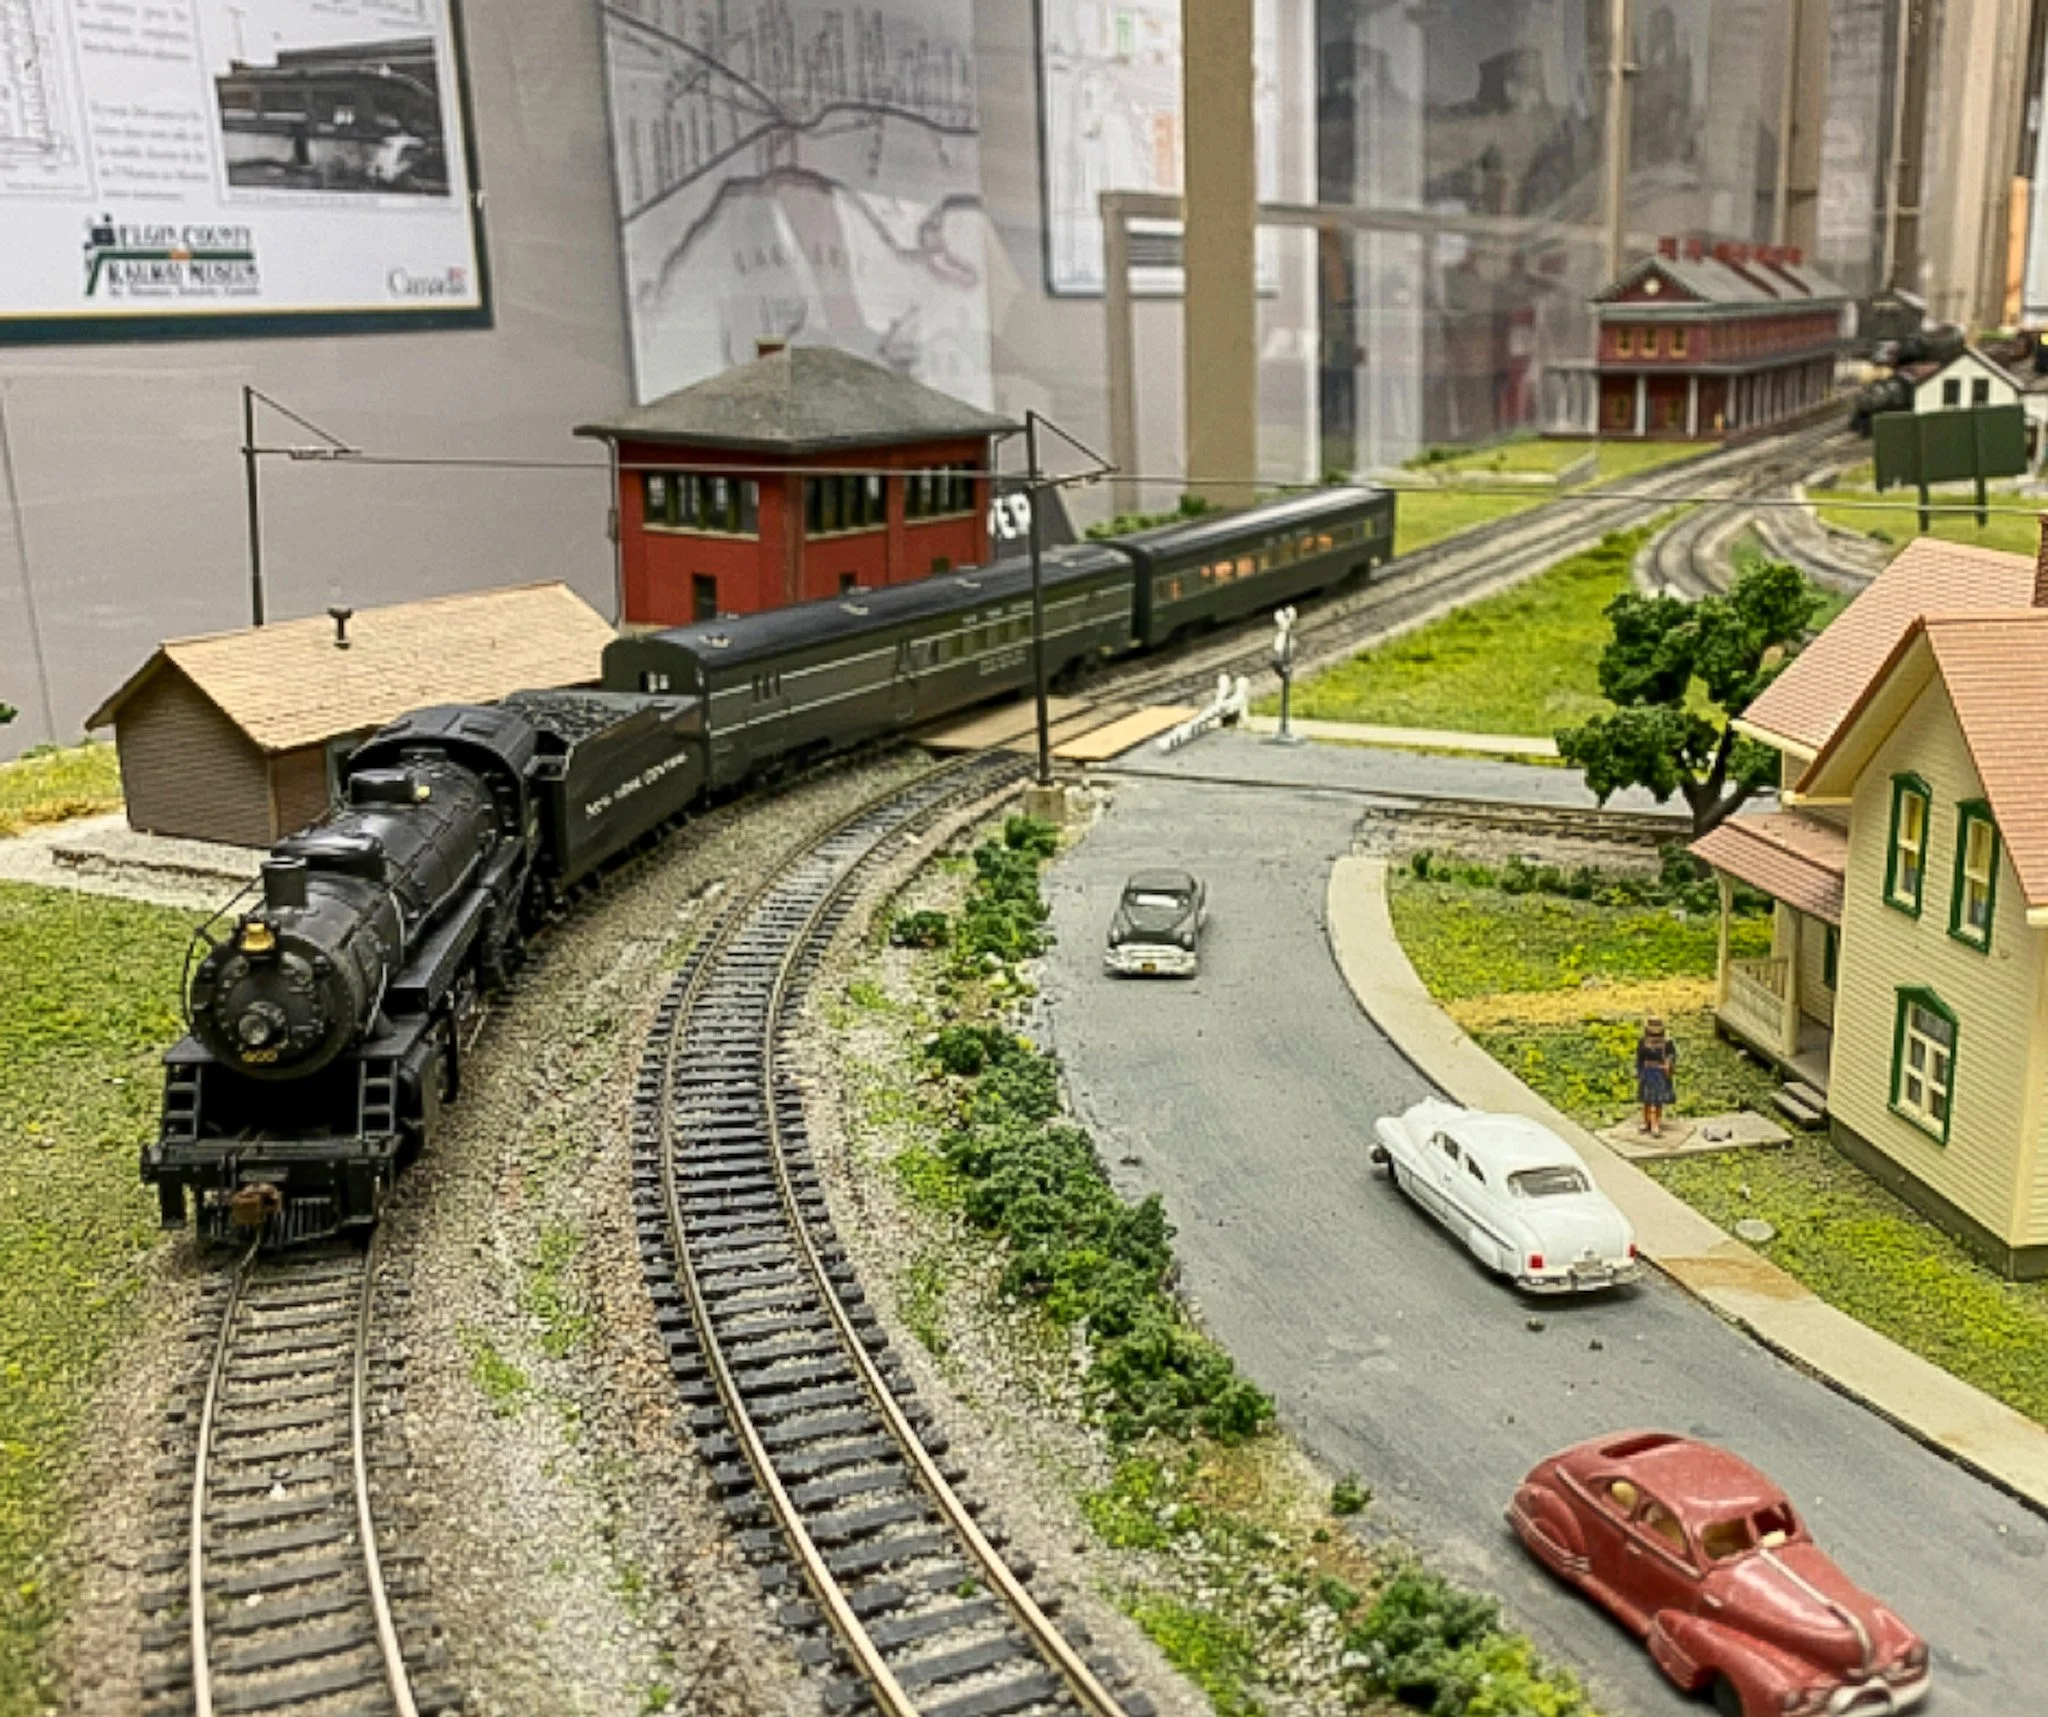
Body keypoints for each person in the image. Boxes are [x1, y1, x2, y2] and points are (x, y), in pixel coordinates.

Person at [1636, 1017, 1677, 1137]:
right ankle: (1646, 1121)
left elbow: (1672, 1055)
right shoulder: (1643, 1042)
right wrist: (1639, 1072)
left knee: (1656, 1100)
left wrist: (1668, 1063)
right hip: (1647, 1072)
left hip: (1660, 1073)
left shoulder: (1667, 1043)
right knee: (1646, 1099)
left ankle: (1655, 1122)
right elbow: (1640, 1058)